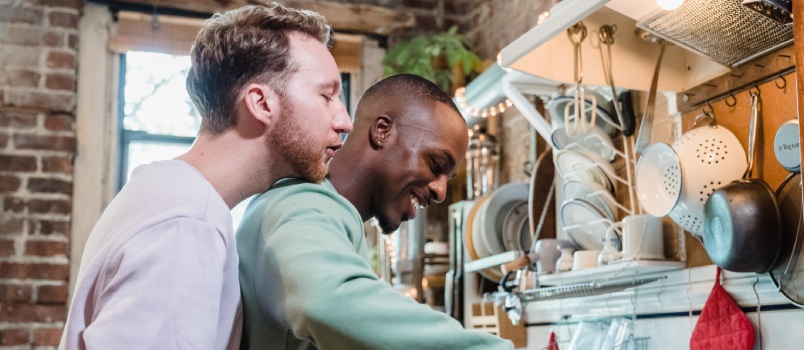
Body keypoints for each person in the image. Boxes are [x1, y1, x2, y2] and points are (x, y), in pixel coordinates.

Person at [60, 3, 352, 349]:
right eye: (327, 96)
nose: (345, 121)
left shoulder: (166, 193)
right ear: (261, 103)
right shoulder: (187, 226)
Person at [237, 74, 514, 350]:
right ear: (382, 131)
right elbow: (324, 301)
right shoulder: (300, 205)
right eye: (436, 164)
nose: (440, 192)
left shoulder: (325, 212)